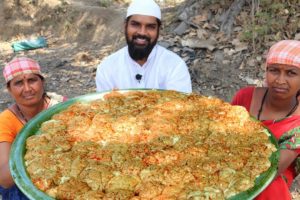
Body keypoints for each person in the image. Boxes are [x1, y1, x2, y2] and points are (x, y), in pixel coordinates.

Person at [232, 40, 300, 200]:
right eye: (274, 70)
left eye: (291, 73)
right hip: (230, 161)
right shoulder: (246, 96)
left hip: (269, 179)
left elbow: (271, 170)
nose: (280, 80)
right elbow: (224, 132)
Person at [0, 57, 66, 199]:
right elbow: (4, 179)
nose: (28, 89)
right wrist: (36, 151)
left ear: (42, 82)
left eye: (32, 80)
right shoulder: (6, 121)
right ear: (9, 90)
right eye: (19, 83)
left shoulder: (63, 107)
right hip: (21, 187)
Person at [95, 0, 192, 93]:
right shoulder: (107, 68)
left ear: (159, 30)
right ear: (125, 26)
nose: (142, 32)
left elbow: (180, 108)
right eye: (135, 25)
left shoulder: (175, 66)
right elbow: (104, 108)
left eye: (150, 27)